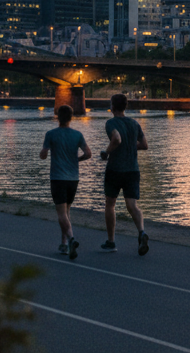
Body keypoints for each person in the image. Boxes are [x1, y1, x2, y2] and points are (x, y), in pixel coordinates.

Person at [99, 93, 149, 255]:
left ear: (112, 107)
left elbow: (116, 139)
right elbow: (144, 145)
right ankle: (141, 232)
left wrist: (106, 152)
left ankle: (111, 241)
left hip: (115, 169)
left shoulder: (111, 122)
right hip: (133, 170)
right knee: (132, 205)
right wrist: (130, 145)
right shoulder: (134, 123)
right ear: (125, 107)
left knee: (110, 204)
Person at [39, 104, 91, 259]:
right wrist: (77, 160)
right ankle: (64, 245)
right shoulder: (78, 135)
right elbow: (88, 154)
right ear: (71, 118)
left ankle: (71, 238)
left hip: (57, 178)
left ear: (57, 117)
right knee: (67, 212)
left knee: (61, 213)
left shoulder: (51, 134)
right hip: (73, 179)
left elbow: (43, 155)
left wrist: (44, 152)